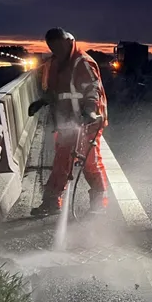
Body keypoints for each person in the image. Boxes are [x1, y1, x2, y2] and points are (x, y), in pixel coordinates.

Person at [29, 28, 109, 217]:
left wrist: (89, 110)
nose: (56, 51)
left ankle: (98, 203)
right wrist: (41, 102)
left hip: (88, 122)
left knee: (90, 163)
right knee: (61, 162)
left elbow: (93, 89)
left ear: (68, 41)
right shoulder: (55, 63)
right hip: (67, 122)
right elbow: (55, 91)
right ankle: (51, 203)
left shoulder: (83, 62)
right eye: (52, 47)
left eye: (58, 46)